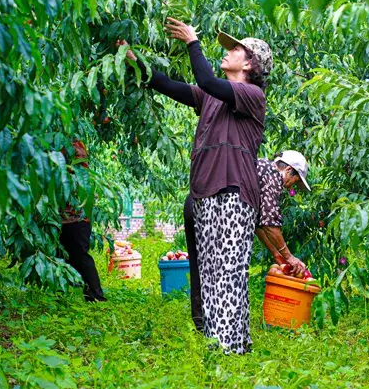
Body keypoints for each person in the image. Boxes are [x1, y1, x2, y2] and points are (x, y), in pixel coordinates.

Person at [118, 18, 271, 354]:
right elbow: (168, 85)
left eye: (235, 49)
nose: (228, 52)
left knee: (229, 272)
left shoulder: (251, 95)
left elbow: (205, 78)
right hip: (205, 194)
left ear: (249, 63)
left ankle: (229, 351)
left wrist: (192, 41)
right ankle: (222, 345)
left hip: (233, 192)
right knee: (210, 272)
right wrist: (133, 60)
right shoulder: (212, 97)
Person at [184, 150, 312, 331]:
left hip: (195, 203)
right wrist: (289, 257)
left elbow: (258, 222)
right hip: (217, 209)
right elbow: (270, 224)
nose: (290, 186)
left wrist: (276, 254)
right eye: (295, 181)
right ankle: (224, 329)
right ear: (288, 170)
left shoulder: (259, 167)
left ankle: (201, 324)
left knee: (201, 267)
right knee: (225, 271)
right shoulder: (272, 175)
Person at [59, 139, 107, 303]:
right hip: (65, 217)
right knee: (70, 257)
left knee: (80, 256)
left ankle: (97, 296)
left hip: (77, 218)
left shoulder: (76, 159)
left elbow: (79, 161)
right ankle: (88, 294)